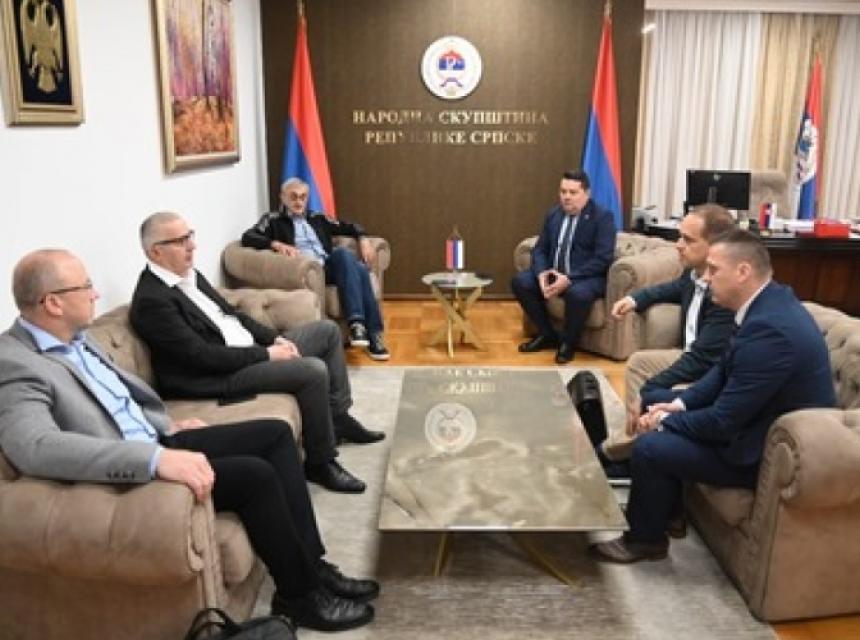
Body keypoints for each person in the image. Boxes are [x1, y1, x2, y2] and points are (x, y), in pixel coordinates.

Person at [0, 249, 379, 632]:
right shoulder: (15, 362)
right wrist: (152, 460)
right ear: (53, 303)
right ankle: (299, 596)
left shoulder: (76, 337)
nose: (95, 294)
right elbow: (35, 446)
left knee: (275, 434)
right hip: (131, 466)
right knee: (254, 476)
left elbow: (117, 400)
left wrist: (165, 424)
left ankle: (312, 566)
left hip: (159, 438)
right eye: (85, 287)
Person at [590, 230, 836, 563]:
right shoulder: (764, 305)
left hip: (763, 452)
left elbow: (722, 423)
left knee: (650, 447)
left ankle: (644, 541)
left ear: (743, 271)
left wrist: (664, 421)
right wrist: (677, 403)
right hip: (749, 422)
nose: (705, 279)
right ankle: (665, 511)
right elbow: (721, 371)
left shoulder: (772, 333)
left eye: (714, 270)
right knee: (654, 398)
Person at [129, 212, 384, 496]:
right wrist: (267, 355)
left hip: (246, 351)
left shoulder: (190, 275)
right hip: (218, 375)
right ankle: (320, 462)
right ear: (155, 251)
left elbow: (232, 316)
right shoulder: (152, 300)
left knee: (326, 331)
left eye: (190, 236)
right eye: (180, 241)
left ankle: (339, 418)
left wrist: (273, 338)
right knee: (311, 371)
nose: (192, 245)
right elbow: (202, 357)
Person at [602, 204, 736, 465]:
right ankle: (635, 435)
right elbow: (675, 288)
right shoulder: (694, 272)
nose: (678, 245)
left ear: (715, 246)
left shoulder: (724, 293)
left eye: (687, 240)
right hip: (689, 353)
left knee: (651, 389)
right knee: (639, 362)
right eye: (679, 237)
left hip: (708, 369)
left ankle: (618, 450)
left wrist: (648, 391)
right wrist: (635, 298)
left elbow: (700, 360)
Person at [241, 177, 389, 361]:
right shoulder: (272, 220)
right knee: (359, 268)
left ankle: (359, 328)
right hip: (309, 271)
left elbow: (350, 226)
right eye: (293, 197)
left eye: (303, 197)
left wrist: (363, 239)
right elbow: (248, 236)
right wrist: (275, 244)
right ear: (282, 197)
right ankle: (370, 333)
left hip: (330, 266)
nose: (299, 202)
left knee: (349, 260)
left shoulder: (317, 217)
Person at [511, 169, 616, 364]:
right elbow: (540, 249)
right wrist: (542, 274)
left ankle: (568, 343)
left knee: (577, 294)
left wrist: (569, 278)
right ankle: (547, 334)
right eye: (563, 191)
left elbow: (603, 259)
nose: (566, 197)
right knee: (521, 282)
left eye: (573, 192)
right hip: (555, 273)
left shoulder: (602, 217)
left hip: (586, 277)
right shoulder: (554, 214)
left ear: (586, 193)